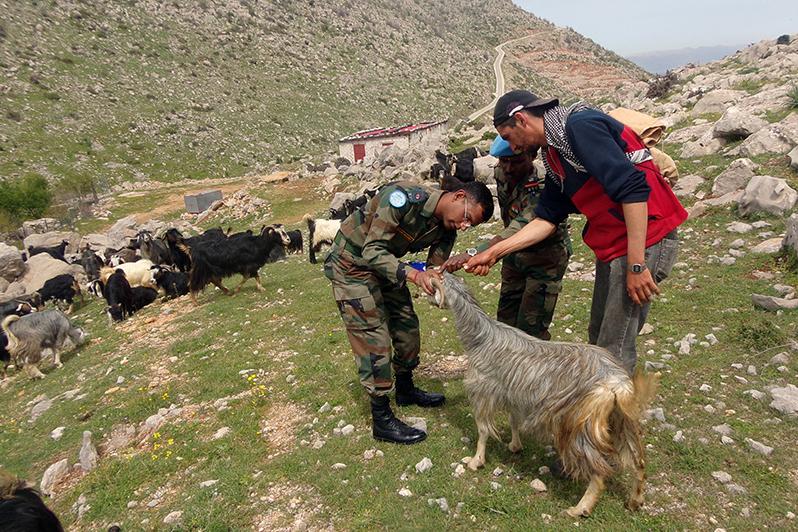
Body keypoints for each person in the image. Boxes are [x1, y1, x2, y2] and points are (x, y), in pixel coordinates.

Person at [466, 90, 687, 374]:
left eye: (508, 137)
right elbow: (547, 218)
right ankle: (608, 400)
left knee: (614, 347)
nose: (512, 147)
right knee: (599, 338)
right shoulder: (554, 154)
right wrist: (495, 252)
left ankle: (617, 404)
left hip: (645, 240)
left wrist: (636, 264)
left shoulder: (579, 127)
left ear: (521, 120)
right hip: (614, 246)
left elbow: (632, 189)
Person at [324, 180, 494, 444]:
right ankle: (381, 417)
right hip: (352, 264)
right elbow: (372, 250)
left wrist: (446, 272)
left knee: (407, 327)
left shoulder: (447, 229)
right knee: (373, 336)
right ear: (458, 196)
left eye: (470, 225)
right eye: (466, 218)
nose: (464, 226)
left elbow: (434, 268)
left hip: (386, 265)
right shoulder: (403, 199)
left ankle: (405, 388)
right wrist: (413, 275)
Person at [441, 136, 570, 340]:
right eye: (504, 161)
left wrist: (474, 253)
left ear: (532, 156)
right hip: (513, 257)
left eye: (516, 161)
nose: (508, 168)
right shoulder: (501, 173)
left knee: (531, 331)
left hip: (544, 261)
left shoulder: (542, 185)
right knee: (504, 325)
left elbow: (518, 228)